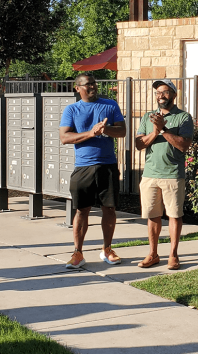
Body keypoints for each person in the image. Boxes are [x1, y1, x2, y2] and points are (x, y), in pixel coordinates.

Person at [59, 73, 127, 269]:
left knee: (110, 209)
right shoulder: (72, 109)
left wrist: (105, 130)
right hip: (83, 167)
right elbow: (64, 137)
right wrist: (91, 133)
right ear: (77, 88)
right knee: (82, 210)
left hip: (108, 166)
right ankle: (78, 253)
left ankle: (107, 249)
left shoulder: (110, 105)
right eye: (88, 85)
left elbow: (122, 131)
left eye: (94, 84)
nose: (93, 87)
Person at [135, 79, 193, 269]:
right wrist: (155, 131)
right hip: (150, 175)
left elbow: (184, 145)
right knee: (153, 216)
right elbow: (139, 144)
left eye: (165, 92)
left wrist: (164, 129)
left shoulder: (183, 117)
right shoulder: (148, 117)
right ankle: (153, 254)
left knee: (174, 215)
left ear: (174, 95)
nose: (161, 95)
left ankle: (173, 255)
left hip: (173, 174)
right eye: (158, 92)